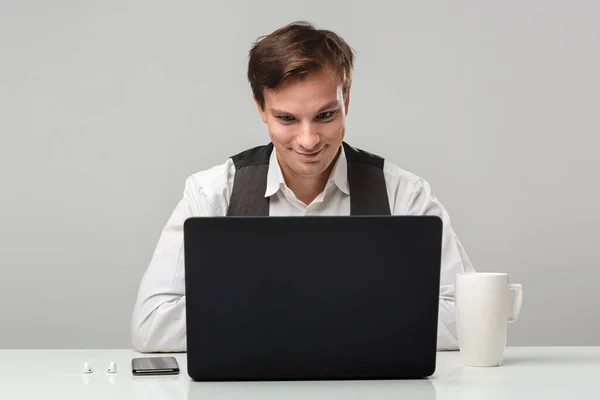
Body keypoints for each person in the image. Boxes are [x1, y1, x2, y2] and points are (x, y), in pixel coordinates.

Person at [130, 20, 475, 353]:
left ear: (347, 102)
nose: (308, 140)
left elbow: (470, 317)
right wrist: (349, 313)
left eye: (325, 116)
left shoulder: (403, 194)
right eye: (287, 118)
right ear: (261, 109)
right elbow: (151, 325)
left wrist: (262, 313)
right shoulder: (211, 193)